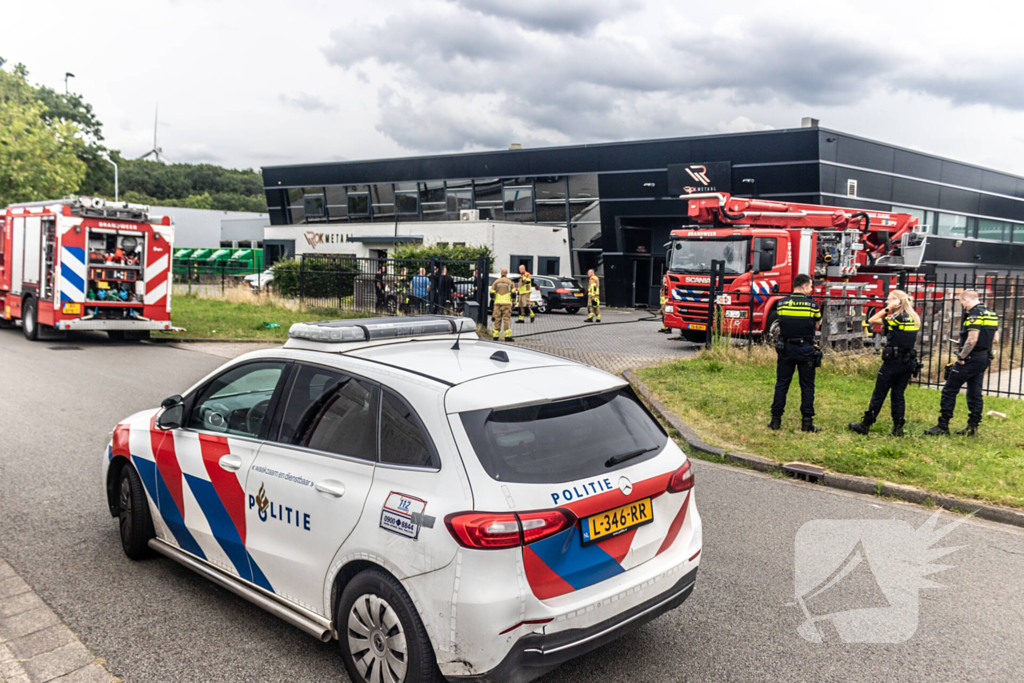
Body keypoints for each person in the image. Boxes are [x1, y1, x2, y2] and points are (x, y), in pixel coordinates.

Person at [925, 289, 1000, 436]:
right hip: (983, 357)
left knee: (949, 390)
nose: (963, 307)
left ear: (966, 300)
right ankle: (973, 427)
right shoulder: (991, 313)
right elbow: (995, 339)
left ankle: (943, 425)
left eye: (962, 304)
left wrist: (961, 357)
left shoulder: (973, 314)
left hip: (970, 359)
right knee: (975, 393)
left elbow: (972, 339)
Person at [848, 290, 921, 437]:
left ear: (897, 302)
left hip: (893, 362)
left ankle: (865, 425)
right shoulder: (914, 318)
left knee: (879, 394)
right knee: (898, 395)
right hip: (908, 362)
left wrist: (888, 309)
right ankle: (898, 428)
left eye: (889, 300)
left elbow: (872, 320)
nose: (886, 302)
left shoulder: (897, 317)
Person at [768, 274, 823, 433]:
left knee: (782, 384)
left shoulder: (782, 303)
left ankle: (775, 421)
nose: (811, 289)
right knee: (807, 386)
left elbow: (781, 320)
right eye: (811, 286)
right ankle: (807, 423)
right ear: (804, 287)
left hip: (786, 347)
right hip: (805, 348)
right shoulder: (812, 305)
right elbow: (818, 323)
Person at [490, 268, 515, 342]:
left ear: (501, 273)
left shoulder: (496, 282)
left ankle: (495, 336)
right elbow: (513, 294)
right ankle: (507, 337)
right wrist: (514, 303)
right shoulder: (510, 282)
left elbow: (491, 293)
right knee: (506, 319)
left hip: (497, 304)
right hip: (507, 304)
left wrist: (494, 300)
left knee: (497, 319)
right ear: (506, 273)